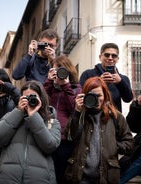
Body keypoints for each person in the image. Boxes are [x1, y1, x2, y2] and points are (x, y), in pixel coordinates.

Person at [65, 77, 134, 184]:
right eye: (93, 96)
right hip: (80, 177)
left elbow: (129, 144)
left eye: (99, 95)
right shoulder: (80, 114)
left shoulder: (115, 116)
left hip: (106, 178)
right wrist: (77, 112)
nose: (97, 100)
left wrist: (114, 146)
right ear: (85, 96)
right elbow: (69, 137)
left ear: (105, 95)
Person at [0, 80, 61, 184]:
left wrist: (34, 116)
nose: (29, 100)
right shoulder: (12, 116)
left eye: (33, 97)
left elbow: (49, 146)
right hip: (8, 179)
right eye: (25, 98)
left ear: (41, 99)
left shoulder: (52, 122)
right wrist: (18, 112)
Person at [43, 55, 82, 184]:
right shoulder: (50, 89)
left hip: (66, 140)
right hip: (47, 137)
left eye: (61, 69)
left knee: (62, 176)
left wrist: (66, 86)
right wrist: (48, 82)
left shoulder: (76, 89)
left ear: (68, 71)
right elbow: (41, 104)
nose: (58, 73)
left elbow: (74, 110)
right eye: (55, 70)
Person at [79, 42, 133, 112]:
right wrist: (98, 82)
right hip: (92, 117)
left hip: (114, 118)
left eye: (114, 56)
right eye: (107, 55)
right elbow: (81, 96)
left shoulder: (123, 79)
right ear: (100, 57)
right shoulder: (87, 74)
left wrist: (120, 83)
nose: (110, 58)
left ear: (117, 59)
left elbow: (128, 99)